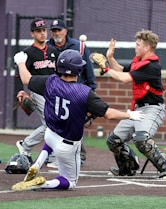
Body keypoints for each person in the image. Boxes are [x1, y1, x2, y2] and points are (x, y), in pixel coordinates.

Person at [11, 49, 144, 191]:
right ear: (78, 70)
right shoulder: (84, 92)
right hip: (67, 145)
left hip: (50, 135)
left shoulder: (50, 81)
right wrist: (129, 115)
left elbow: (26, 79)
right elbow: (109, 114)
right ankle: (44, 184)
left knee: (51, 134)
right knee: (70, 181)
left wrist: (20, 62)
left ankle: (37, 164)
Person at [101, 30, 166, 179]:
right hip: (138, 109)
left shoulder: (151, 66)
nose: (135, 47)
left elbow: (124, 79)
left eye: (138, 44)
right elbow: (122, 70)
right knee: (113, 141)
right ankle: (128, 167)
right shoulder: (138, 61)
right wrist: (110, 58)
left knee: (141, 139)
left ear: (147, 47)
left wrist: (106, 68)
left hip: (153, 109)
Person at [46, 19, 96, 166]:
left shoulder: (79, 46)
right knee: (55, 123)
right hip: (57, 90)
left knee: (74, 124)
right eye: (54, 30)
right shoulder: (47, 47)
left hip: (76, 91)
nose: (57, 33)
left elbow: (88, 71)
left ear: (65, 31)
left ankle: (79, 156)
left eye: (59, 30)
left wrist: (91, 90)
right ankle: (56, 154)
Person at [14, 17, 60, 164]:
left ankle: (26, 145)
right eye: (38, 31)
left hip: (54, 92)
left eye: (43, 30)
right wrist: (20, 91)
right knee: (50, 123)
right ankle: (47, 154)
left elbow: (60, 72)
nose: (42, 34)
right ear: (32, 34)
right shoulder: (27, 53)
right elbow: (18, 74)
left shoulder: (54, 51)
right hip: (37, 92)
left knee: (55, 123)